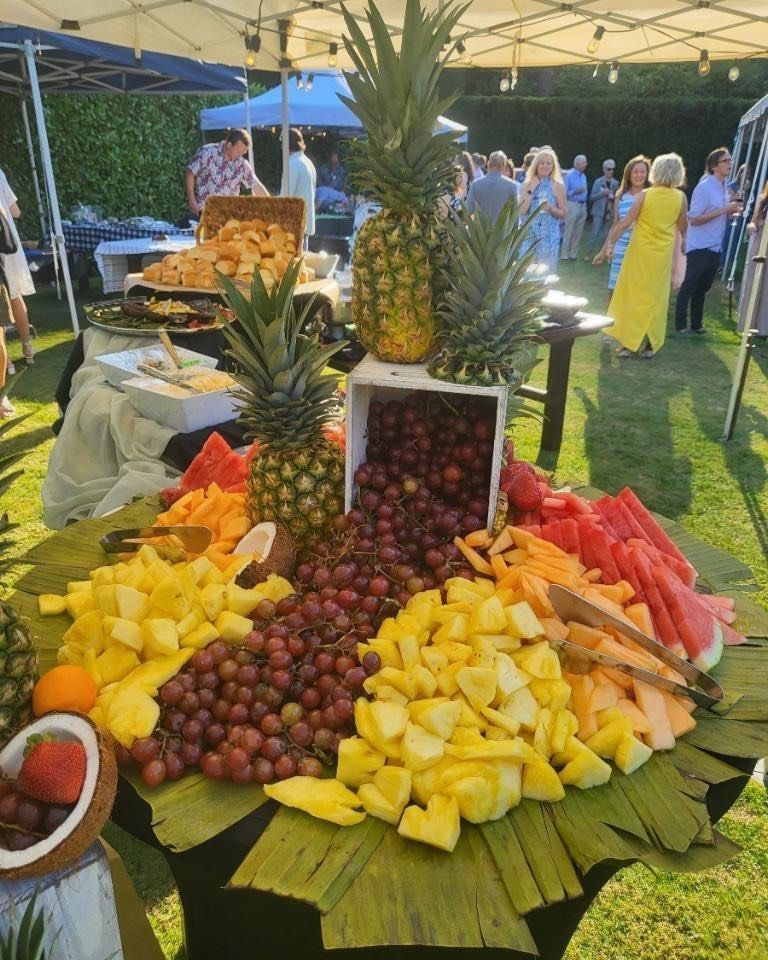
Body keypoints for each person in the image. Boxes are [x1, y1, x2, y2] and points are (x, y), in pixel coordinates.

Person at [595, 153, 688, 359]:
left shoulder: (645, 195)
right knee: (656, 299)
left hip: (640, 253)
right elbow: (682, 227)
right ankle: (650, 344)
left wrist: (610, 243)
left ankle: (629, 344)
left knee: (635, 297)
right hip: (662, 256)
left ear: (656, 172)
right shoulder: (680, 198)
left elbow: (626, 221)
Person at [674, 147, 741, 335]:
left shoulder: (725, 187)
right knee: (690, 284)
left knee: (703, 287)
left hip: (716, 244)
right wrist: (723, 210)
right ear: (713, 166)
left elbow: (721, 214)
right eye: (725, 161)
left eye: (730, 161)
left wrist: (731, 212)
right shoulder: (704, 187)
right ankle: (680, 325)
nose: (729, 164)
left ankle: (697, 324)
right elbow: (693, 218)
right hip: (700, 244)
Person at [599, 156, 651, 301]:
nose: (639, 175)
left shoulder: (650, 195)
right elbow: (616, 224)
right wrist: (604, 251)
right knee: (614, 289)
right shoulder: (620, 196)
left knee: (635, 290)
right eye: (635, 172)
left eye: (642, 172)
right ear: (629, 174)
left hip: (641, 247)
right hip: (621, 247)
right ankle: (611, 321)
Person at [185, 129, 268, 218]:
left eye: (242, 153)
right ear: (229, 144)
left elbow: (255, 185)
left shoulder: (241, 164)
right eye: (238, 152)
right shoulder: (207, 153)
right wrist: (191, 199)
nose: (240, 156)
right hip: (205, 213)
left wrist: (272, 205)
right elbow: (190, 172)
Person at [0, 168, 35, 370]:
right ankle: (27, 347)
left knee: (3, 300)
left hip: (4, 244)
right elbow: (15, 211)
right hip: (7, 241)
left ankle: (7, 361)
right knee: (14, 296)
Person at [518, 147, 567, 274]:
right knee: (525, 271)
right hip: (529, 234)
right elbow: (522, 211)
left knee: (545, 273)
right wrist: (531, 189)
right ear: (536, 164)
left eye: (548, 163)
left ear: (553, 166)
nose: (545, 166)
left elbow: (563, 213)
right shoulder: (526, 184)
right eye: (542, 163)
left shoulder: (557, 185)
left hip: (548, 235)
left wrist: (551, 208)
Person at [737, 179, 768, 337]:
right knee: (753, 282)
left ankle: (763, 328)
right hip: (759, 243)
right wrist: (753, 226)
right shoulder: (763, 200)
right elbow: (754, 221)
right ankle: (747, 324)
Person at [465, 151, 519, 223]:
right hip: (502, 232)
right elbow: (514, 216)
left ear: (488, 164)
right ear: (503, 166)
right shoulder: (511, 186)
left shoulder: (476, 184)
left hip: (480, 231)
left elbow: (468, 210)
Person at [285, 128, 317, 241]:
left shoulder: (292, 164)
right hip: (305, 223)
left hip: (294, 227)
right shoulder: (308, 162)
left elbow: (286, 197)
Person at [561, 155, 589, 260]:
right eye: (583, 163)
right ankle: (564, 254)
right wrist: (575, 191)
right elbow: (564, 193)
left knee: (578, 231)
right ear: (577, 164)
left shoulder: (584, 176)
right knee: (569, 229)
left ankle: (573, 254)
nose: (585, 164)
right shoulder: (569, 175)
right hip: (572, 204)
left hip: (583, 205)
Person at [589, 159, 619, 249]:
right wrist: (602, 193)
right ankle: (588, 253)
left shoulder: (616, 183)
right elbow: (591, 197)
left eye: (613, 169)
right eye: (609, 169)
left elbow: (617, 198)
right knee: (594, 233)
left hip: (609, 212)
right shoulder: (598, 182)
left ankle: (602, 253)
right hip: (598, 211)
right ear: (604, 169)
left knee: (606, 235)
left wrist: (613, 196)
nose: (611, 171)